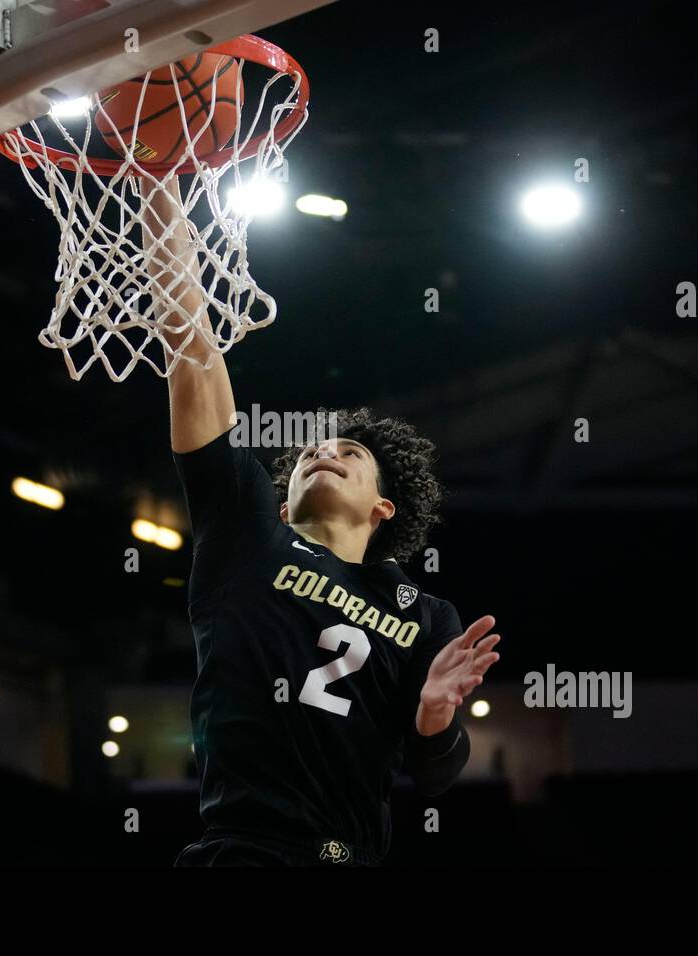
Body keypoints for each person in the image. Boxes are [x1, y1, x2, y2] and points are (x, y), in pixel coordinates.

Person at [142, 178, 501, 866]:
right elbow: (193, 359)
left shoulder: (427, 617)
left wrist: (433, 720)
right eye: (312, 451)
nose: (323, 451)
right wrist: (159, 196)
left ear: (383, 507)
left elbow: (435, 776)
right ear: (281, 506)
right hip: (242, 849)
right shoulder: (248, 535)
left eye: (351, 453)